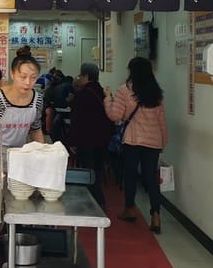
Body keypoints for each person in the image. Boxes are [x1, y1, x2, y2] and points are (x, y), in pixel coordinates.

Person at [104, 57, 168, 233]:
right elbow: (162, 121)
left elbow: (115, 116)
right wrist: (163, 141)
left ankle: (129, 209)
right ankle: (156, 215)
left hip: (133, 141)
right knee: (150, 178)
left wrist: (107, 100)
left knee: (130, 174)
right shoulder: (156, 93)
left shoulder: (124, 91)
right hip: (153, 141)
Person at [68, 63, 114, 209]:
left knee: (88, 170)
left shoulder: (82, 94)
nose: (79, 78)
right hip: (103, 138)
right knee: (97, 169)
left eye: (80, 75)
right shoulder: (103, 92)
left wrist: (72, 141)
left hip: (86, 139)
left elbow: (76, 120)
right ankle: (96, 199)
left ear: (86, 76)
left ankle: (98, 201)